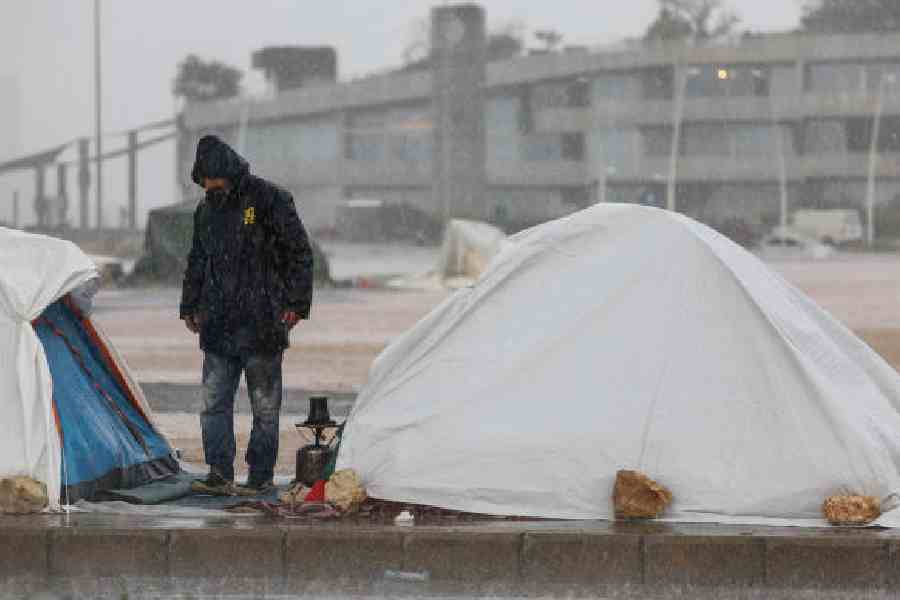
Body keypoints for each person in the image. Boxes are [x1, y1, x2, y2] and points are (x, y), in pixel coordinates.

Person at [180, 135, 314, 495]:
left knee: (265, 409)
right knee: (213, 406)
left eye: (213, 179)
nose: (209, 187)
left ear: (227, 172)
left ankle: (260, 477)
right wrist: (190, 306)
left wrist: (295, 304)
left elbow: (300, 253)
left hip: (263, 323)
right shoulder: (205, 211)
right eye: (204, 181)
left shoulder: (271, 200)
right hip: (218, 324)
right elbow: (197, 260)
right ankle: (219, 473)